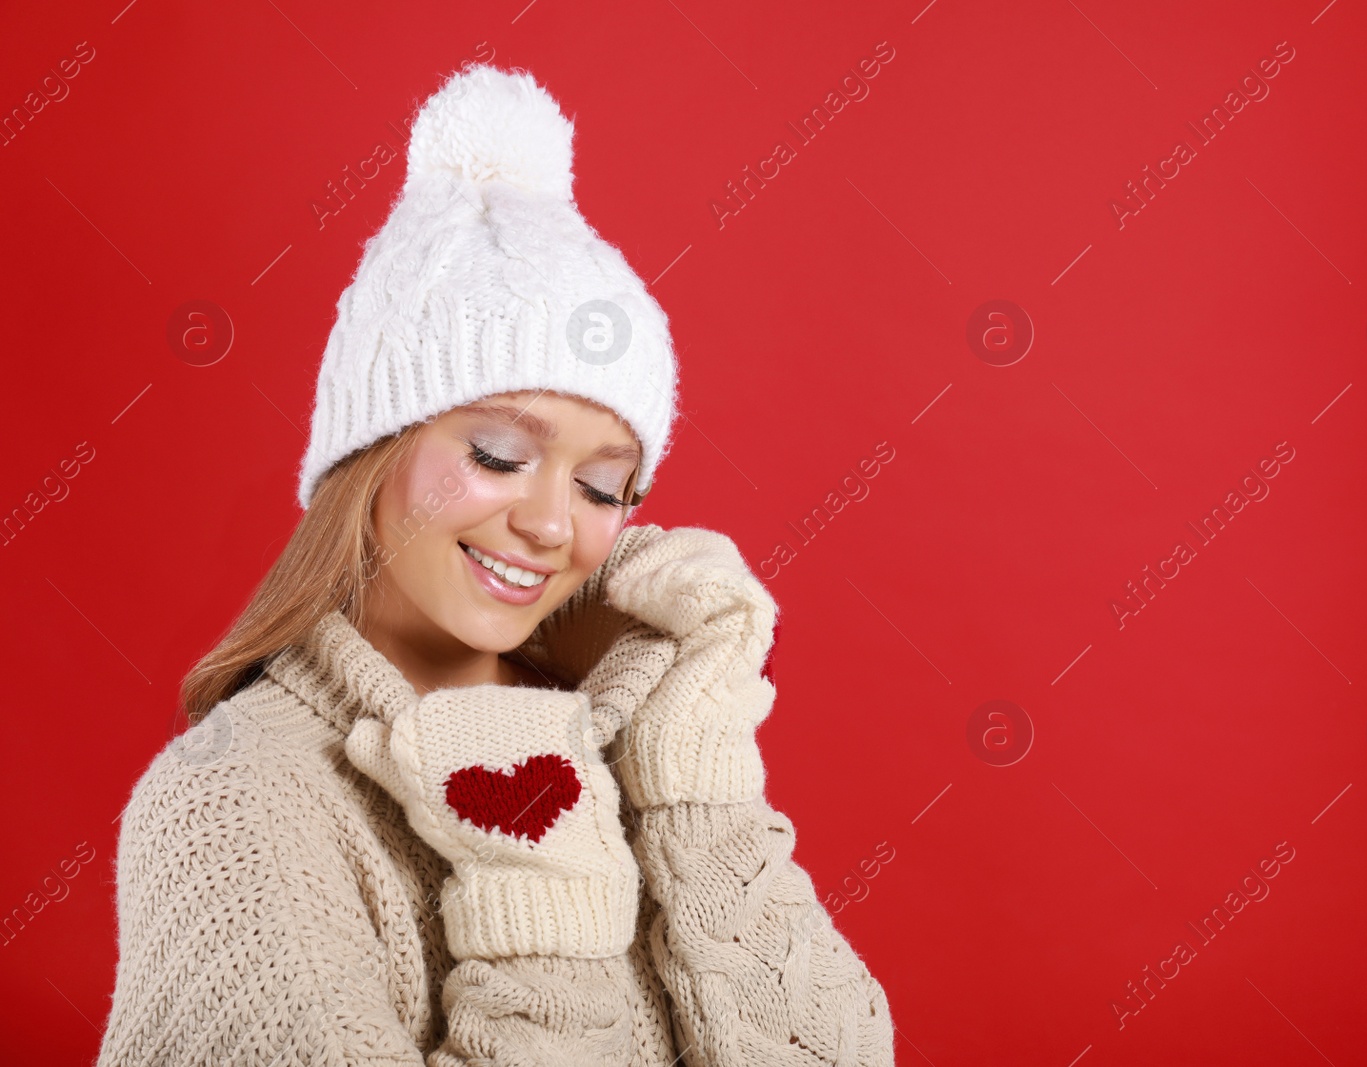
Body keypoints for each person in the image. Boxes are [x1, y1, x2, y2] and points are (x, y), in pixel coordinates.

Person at [94, 63, 895, 1066]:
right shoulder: (237, 804)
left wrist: (699, 785)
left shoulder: (625, 732)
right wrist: (542, 904)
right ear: (371, 456)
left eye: (603, 486)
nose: (553, 523)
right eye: (498, 456)